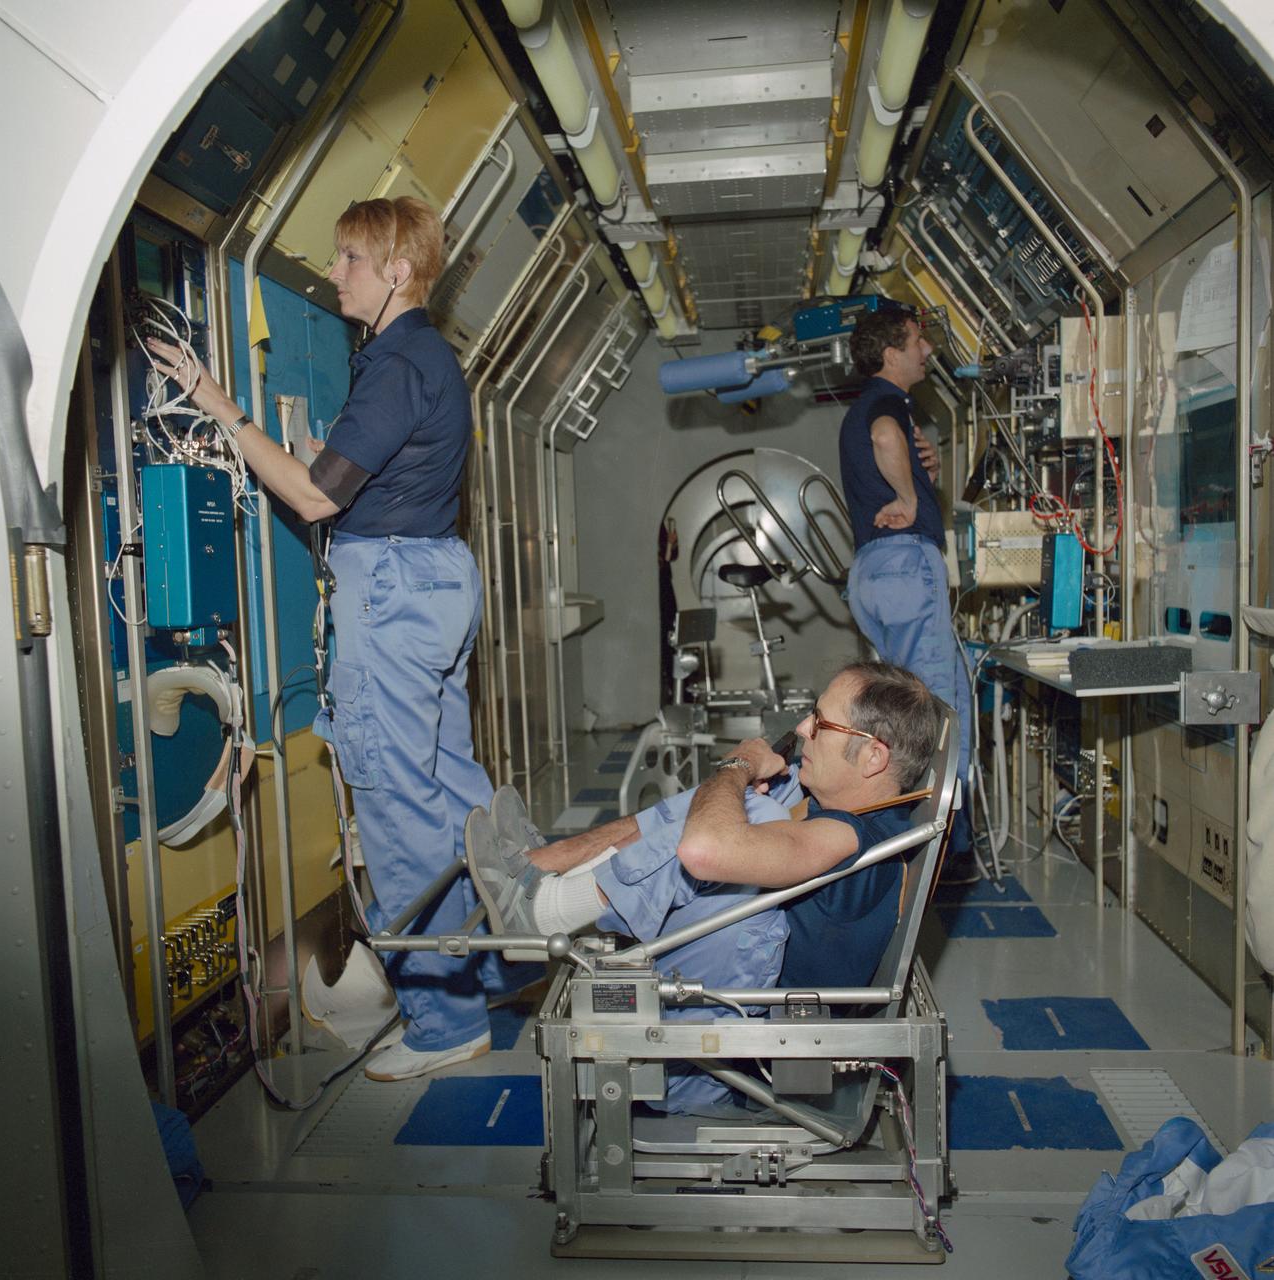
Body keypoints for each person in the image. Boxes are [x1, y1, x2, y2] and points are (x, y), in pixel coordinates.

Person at [149, 195, 504, 1082]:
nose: (336, 272)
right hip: (435, 576)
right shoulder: (424, 357)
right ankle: (490, 966)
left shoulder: (396, 365)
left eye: (349, 259)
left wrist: (217, 404)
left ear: (396, 271)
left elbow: (314, 498)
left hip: (388, 590)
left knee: (393, 801)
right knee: (450, 789)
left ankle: (444, 1019)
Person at [466, 661, 943, 1111]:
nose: (802, 730)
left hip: (729, 1064)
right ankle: (539, 870)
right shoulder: (845, 811)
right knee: (736, 800)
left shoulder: (851, 838)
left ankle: (547, 910)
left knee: (739, 811)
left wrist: (735, 767)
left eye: (820, 723)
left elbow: (704, 850)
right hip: (721, 1001)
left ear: (874, 757)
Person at [839, 309, 974, 881]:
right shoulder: (887, 403)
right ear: (892, 352)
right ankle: (944, 846)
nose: (926, 350)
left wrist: (922, 478)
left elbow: (889, 444)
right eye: (917, 341)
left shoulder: (864, 406)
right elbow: (886, 437)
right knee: (940, 704)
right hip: (904, 564)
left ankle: (900, 831)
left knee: (901, 710)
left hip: (871, 571)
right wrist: (912, 499)